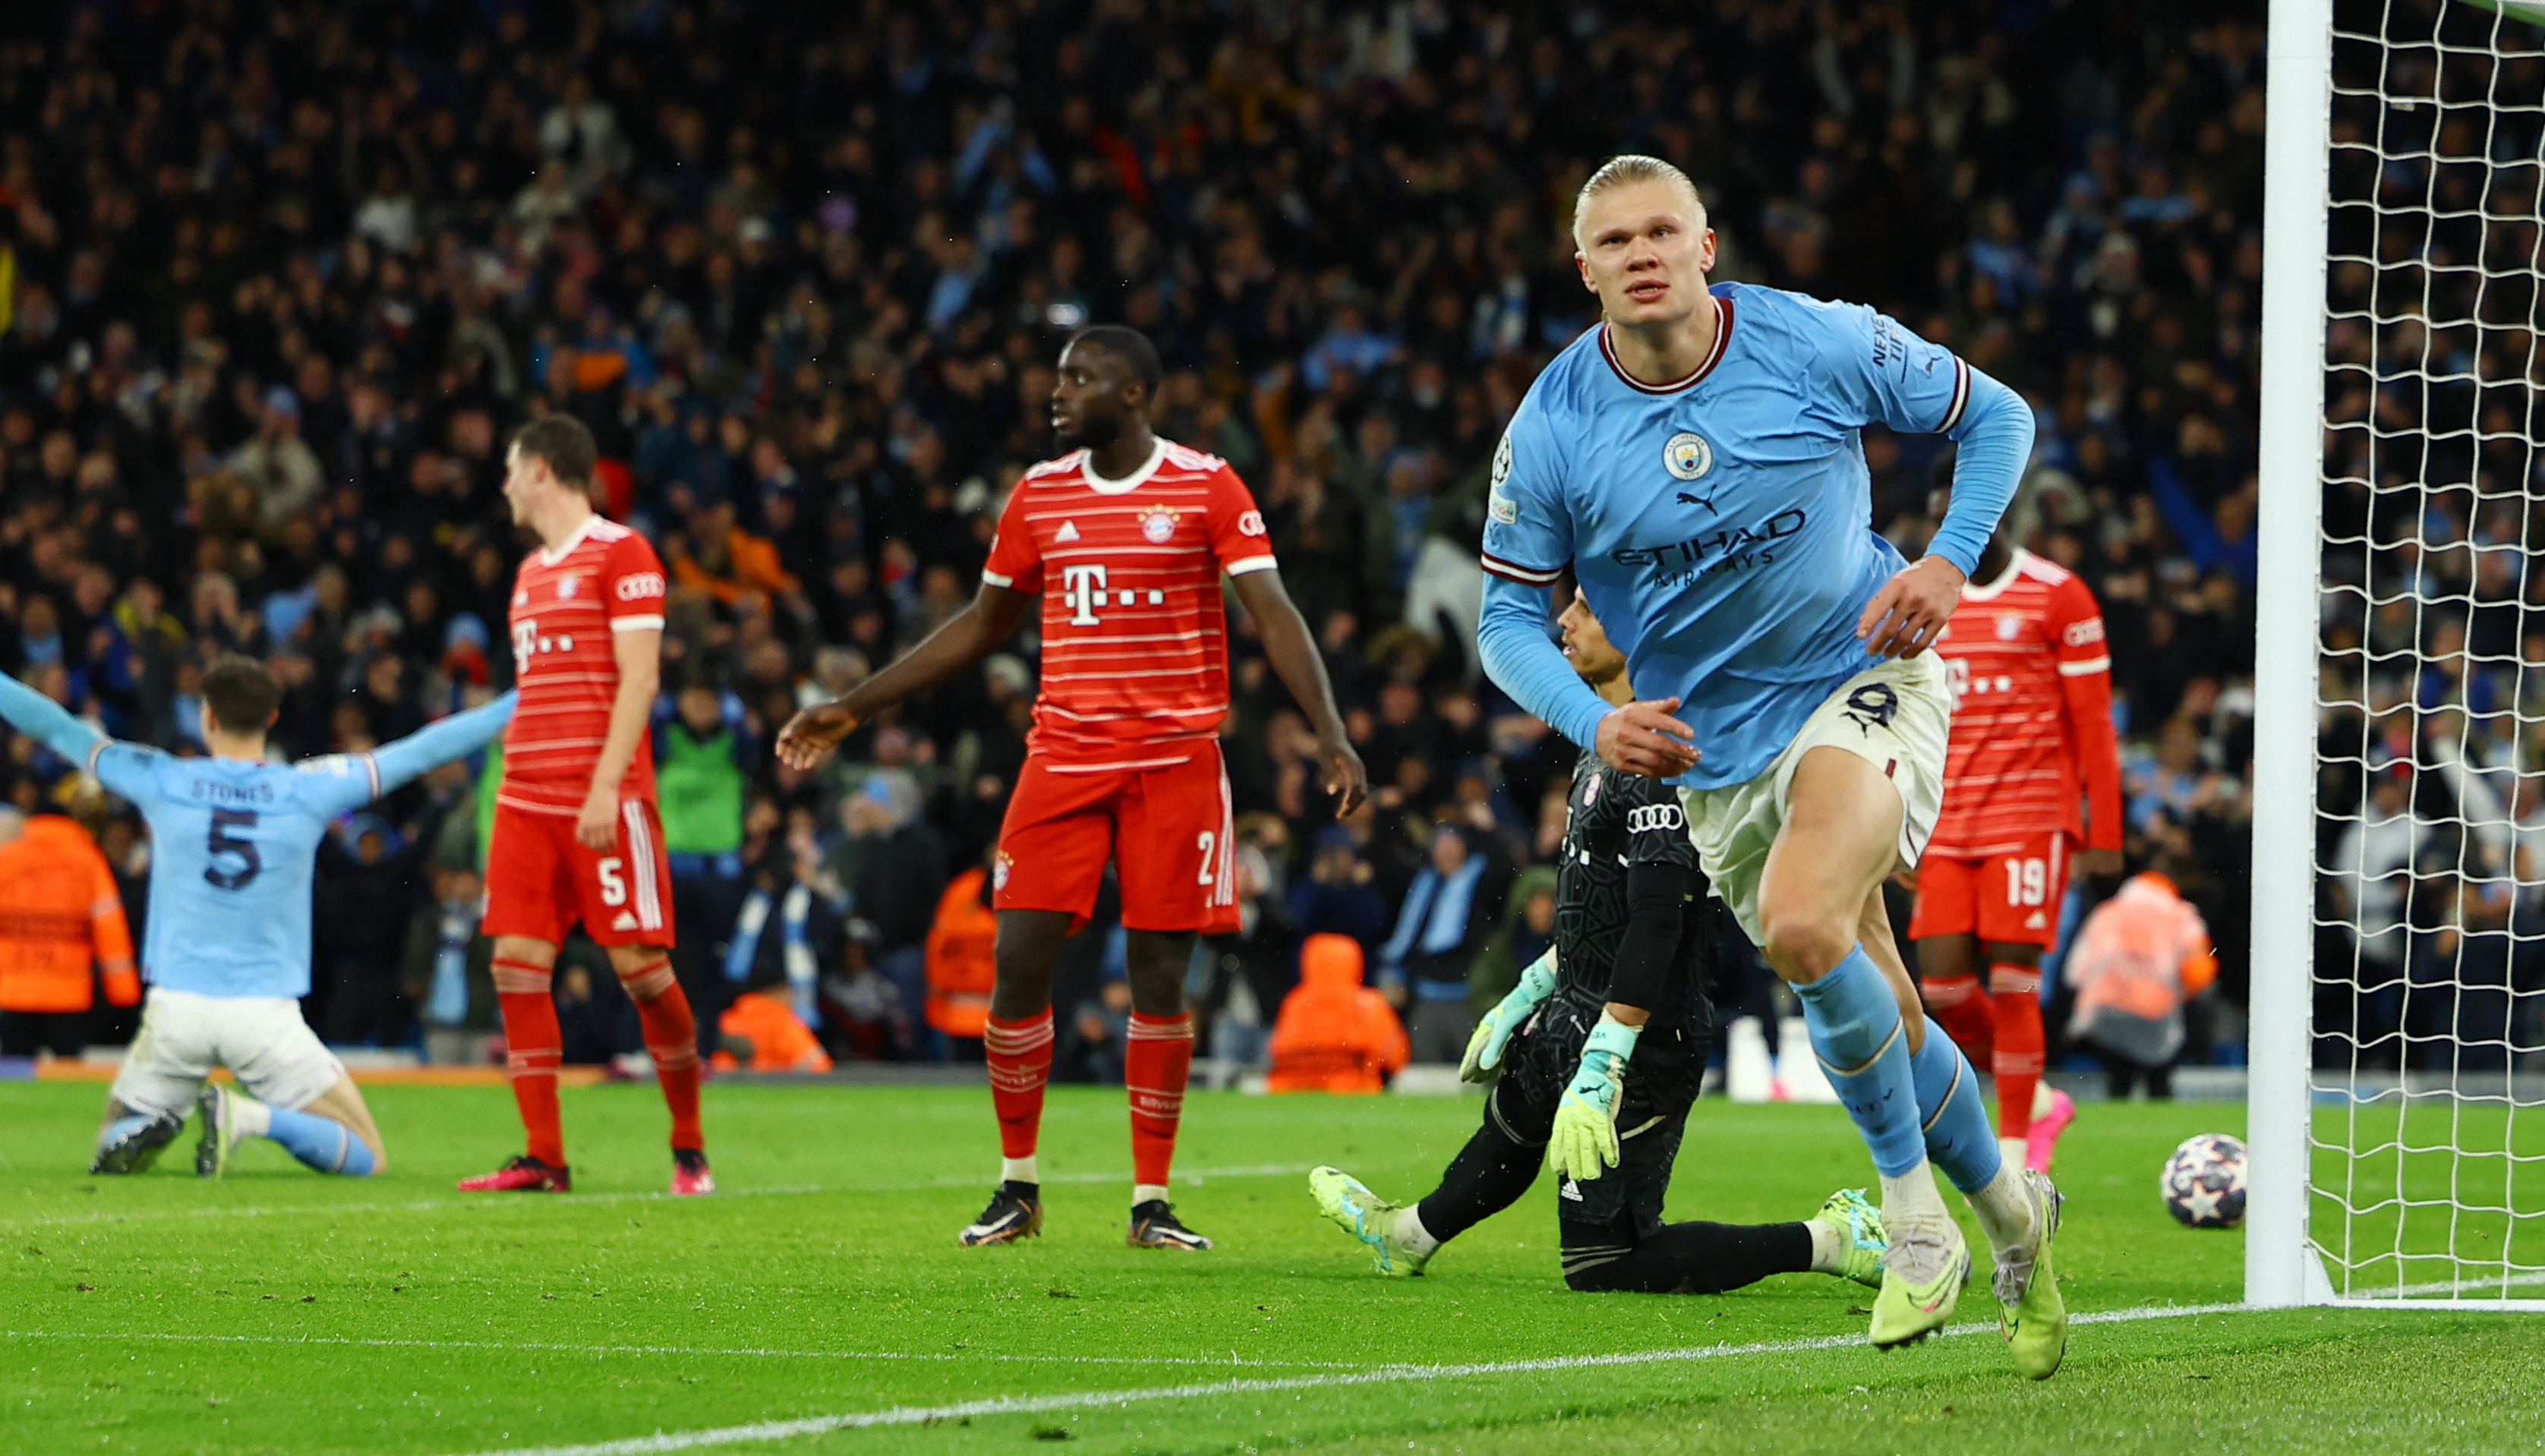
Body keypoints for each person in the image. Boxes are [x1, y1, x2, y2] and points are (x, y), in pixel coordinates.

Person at [1472, 156, 2061, 1372]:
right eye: (1614, 241)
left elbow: (1998, 414)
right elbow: (1506, 623)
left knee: (1801, 926)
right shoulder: (1555, 429)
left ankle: (1914, 1227)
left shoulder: (1815, 341)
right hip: (1719, 753)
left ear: (1706, 244)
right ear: (1583, 270)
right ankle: (2013, 1214)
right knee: (1883, 1006)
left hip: (1861, 674)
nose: (1641, 254)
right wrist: (1595, 724)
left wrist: (1948, 561)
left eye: (1662, 232)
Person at [780, 325, 1369, 1251]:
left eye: (1081, 378)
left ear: (1134, 395)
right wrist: (852, 705)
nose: (1059, 393)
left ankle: (1150, 1200)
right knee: (1017, 961)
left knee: (1159, 974)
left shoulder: (1207, 484)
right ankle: (1017, 1186)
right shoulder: (1040, 495)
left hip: (1174, 758)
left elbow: (1273, 611)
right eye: (1058, 377)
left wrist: (1330, 731)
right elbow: (981, 624)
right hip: (1063, 756)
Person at [1313, 590, 1887, 1294]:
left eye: (1587, 607)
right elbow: (1604, 907)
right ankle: (1407, 1236)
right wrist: (1532, 989)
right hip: (1578, 1006)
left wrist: (1608, 1056)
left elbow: (1660, 918)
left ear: (1637, 629)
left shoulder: (1665, 753)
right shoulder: (1608, 739)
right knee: (1514, 1123)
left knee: (1606, 1263)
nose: (1565, 621)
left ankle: (1830, 1240)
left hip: (1644, 1032)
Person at [0, 657, 512, 1177]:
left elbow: (52, 726)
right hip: (264, 1017)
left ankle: (146, 1124)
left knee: (114, 1139)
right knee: (366, 1154)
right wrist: (518, 704)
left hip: (177, 1010)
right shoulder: (311, 787)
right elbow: (424, 750)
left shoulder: (163, 778)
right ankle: (253, 1118)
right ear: (271, 720)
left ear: (207, 718)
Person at [461, 416, 709, 1196]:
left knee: (639, 969)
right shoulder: (530, 572)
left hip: (601, 794)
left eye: (509, 467)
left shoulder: (623, 552)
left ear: (540, 469)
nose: (502, 484)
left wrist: (606, 786)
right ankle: (544, 1157)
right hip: (525, 796)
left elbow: (640, 679)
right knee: (515, 964)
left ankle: (689, 1143)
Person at [1910, 476, 2124, 1175]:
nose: (1951, 535)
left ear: (1995, 519)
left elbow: (2092, 723)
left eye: (1962, 520)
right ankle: (2034, 1099)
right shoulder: (1922, 599)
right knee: (1942, 987)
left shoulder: (2059, 595)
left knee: (2013, 980)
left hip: (2030, 819)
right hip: (1946, 818)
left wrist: (2106, 833)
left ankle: (2013, 1148)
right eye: (1940, 522)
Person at [0, 805, 139, 1058]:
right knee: (68, 1075)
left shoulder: (6, 857)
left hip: (11, 990)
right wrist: (124, 994)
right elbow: (110, 928)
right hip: (68, 992)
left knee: (13, 1074)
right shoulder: (88, 860)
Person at [2064, 869, 2215, 1098]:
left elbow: (2076, 971)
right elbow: (2199, 972)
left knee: (2118, 1084)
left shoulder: (2107, 913)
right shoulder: (2180, 915)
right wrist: (2179, 994)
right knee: (2159, 1085)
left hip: (2108, 1011)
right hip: (2156, 1010)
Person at [1266, 932, 1410, 1093]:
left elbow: (1277, 1049)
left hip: (1294, 1088)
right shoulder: (1367, 1002)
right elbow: (1395, 1056)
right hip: (1355, 1087)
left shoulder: (1296, 1002)